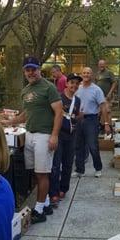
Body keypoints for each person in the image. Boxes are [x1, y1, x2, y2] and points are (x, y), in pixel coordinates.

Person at [1, 57, 62, 224]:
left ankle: (39, 210)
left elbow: (59, 112)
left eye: (34, 69)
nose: (31, 72)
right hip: (29, 134)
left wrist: (54, 135)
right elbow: (26, 113)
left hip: (44, 135)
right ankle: (47, 203)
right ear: (24, 71)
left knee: (42, 174)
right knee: (35, 173)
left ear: (39, 69)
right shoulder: (25, 90)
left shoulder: (49, 88)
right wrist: (10, 122)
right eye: (28, 69)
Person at [49, 73, 82, 205]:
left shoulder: (77, 100)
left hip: (72, 134)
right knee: (56, 165)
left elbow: (76, 115)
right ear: (67, 83)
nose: (74, 85)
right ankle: (54, 192)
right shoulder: (58, 98)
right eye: (72, 83)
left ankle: (64, 188)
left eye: (77, 83)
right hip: (59, 135)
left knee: (68, 163)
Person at [73, 67, 110, 178]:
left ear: (92, 75)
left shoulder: (96, 90)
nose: (86, 75)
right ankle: (79, 170)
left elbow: (103, 106)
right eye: (84, 73)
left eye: (88, 73)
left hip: (91, 120)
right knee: (78, 146)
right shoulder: (77, 88)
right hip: (78, 120)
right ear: (81, 74)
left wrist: (106, 123)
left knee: (93, 146)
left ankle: (98, 168)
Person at [96, 59, 116, 127]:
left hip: (107, 96)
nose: (101, 65)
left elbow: (114, 83)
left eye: (102, 64)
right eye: (100, 64)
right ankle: (102, 127)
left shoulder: (109, 72)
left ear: (105, 65)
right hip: (99, 97)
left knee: (107, 112)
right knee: (100, 112)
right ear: (98, 65)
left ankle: (109, 127)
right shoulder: (98, 73)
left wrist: (110, 93)